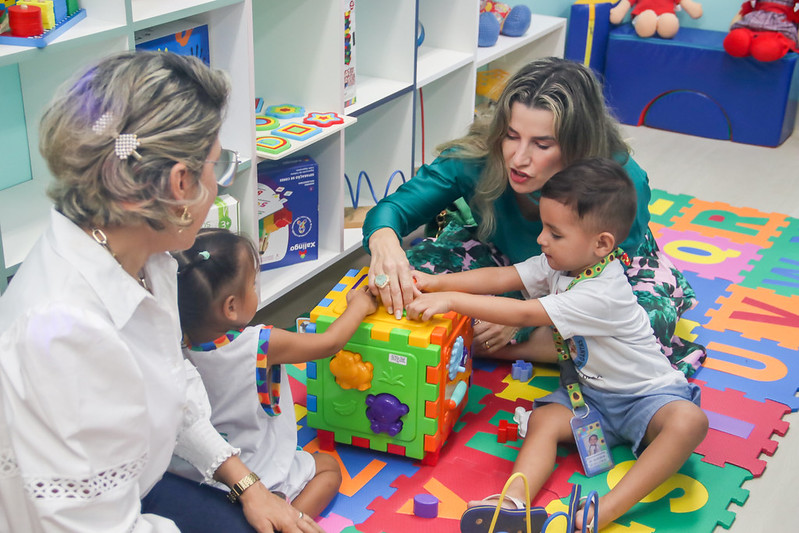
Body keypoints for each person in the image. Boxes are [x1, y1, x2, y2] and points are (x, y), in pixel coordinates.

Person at [0, 51, 323, 533]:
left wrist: (246, 484)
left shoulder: (145, 257)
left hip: (131, 482)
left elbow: (175, 389)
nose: (216, 183)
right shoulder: (64, 332)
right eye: (217, 165)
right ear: (179, 185)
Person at [405, 158, 708, 530]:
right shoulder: (564, 263)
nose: (541, 239)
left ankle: (608, 509)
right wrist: (436, 283)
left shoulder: (603, 290)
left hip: (645, 397)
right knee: (544, 423)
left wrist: (450, 302)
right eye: (543, 226)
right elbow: (504, 276)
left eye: (554, 232)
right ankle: (512, 501)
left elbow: (523, 314)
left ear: (602, 244)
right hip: (588, 396)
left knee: (689, 422)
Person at [362, 56, 704, 376]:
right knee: (401, 284)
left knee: (641, 331)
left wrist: (520, 320)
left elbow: (606, 283)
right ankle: (515, 341)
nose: (518, 158)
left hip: (597, 275)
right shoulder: (477, 158)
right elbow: (392, 210)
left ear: (577, 145)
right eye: (511, 136)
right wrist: (385, 245)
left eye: (542, 145)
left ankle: (492, 348)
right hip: (499, 259)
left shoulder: (621, 180)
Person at [170, 228, 378, 518]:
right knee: (328, 468)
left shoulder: (169, 348)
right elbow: (329, 343)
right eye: (253, 284)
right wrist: (359, 305)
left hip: (203, 475)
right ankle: (289, 522)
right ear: (231, 307)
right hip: (261, 473)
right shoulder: (260, 344)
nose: (256, 289)